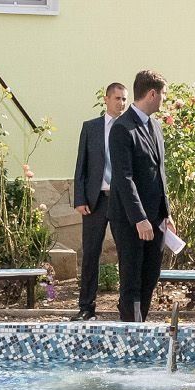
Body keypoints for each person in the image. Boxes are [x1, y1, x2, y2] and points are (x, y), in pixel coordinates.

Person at [107, 69, 174, 322]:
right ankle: (131, 334)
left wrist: (166, 213)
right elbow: (124, 178)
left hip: (156, 219)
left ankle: (141, 328)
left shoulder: (155, 125)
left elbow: (158, 172)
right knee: (132, 280)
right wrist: (139, 218)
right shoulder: (122, 128)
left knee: (150, 278)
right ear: (152, 94)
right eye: (164, 94)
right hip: (130, 220)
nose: (164, 99)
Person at [71, 81, 128, 321]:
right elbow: (81, 166)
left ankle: (126, 307)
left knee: (126, 254)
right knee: (91, 254)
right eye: (117, 98)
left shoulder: (129, 127)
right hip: (95, 201)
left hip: (122, 201)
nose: (121, 103)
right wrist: (80, 198)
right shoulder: (91, 128)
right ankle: (86, 307)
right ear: (106, 99)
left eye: (124, 99)